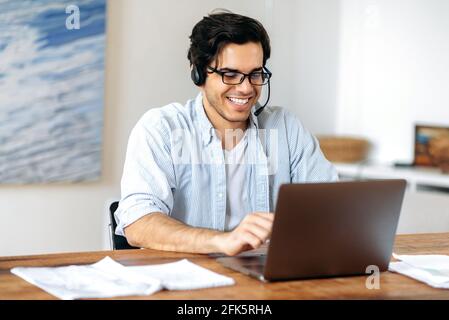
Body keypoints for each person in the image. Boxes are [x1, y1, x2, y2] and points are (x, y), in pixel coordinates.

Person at [115, 11, 338, 256]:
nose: (245, 88)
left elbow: (331, 208)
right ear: (198, 74)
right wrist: (221, 241)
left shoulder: (285, 127)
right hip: (190, 281)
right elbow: (138, 223)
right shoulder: (161, 129)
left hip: (269, 283)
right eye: (230, 74)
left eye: (255, 74)